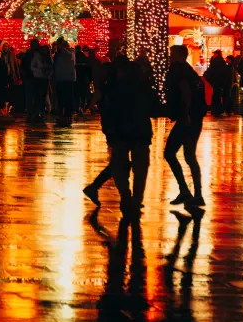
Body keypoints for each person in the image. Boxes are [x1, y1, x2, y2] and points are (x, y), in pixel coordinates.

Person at [101, 54, 159, 215]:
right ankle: (136, 200)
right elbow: (154, 107)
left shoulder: (114, 87)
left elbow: (107, 110)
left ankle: (125, 194)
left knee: (119, 166)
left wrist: (108, 131)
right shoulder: (144, 86)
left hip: (120, 132)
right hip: (140, 132)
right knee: (140, 169)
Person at [163, 44, 207, 209]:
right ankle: (196, 193)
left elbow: (185, 91)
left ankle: (186, 190)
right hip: (195, 117)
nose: (170, 56)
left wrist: (185, 114)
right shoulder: (189, 71)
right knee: (189, 155)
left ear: (181, 56)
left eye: (172, 53)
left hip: (187, 118)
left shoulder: (179, 70)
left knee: (170, 153)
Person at [83, 57, 123, 205]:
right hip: (115, 126)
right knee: (119, 161)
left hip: (111, 124)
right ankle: (96, 187)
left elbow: (96, 98)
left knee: (119, 161)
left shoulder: (105, 85)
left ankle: (125, 195)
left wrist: (89, 107)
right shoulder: (111, 86)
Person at [52, 38, 76, 125]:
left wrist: (59, 44)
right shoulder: (59, 55)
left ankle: (67, 116)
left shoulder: (70, 53)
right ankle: (62, 115)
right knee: (61, 98)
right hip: (61, 78)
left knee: (67, 98)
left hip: (67, 79)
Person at [28, 41, 52, 120]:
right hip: (38, 78)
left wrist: (48, 73)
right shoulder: (37, 56)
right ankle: (36, 113)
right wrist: (40, 70)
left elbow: (51, 68)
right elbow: (32, 67)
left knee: (43, 96)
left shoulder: (49, 58)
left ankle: (41, 112)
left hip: (44, 79)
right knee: (37, 96)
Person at [204, 49, 231, 117]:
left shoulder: (215, 61)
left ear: (216, 54)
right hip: (219, 81)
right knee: (217, 95)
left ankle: (216, 110)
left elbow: (212, 70)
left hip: (216, 81)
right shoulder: (222, 61)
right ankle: (217, 110)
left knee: (216, 95)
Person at [75, 46, 92, 114]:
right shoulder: (85, 58)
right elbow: (89, 69)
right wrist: (89, 79)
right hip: (84, 79)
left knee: (77, 94)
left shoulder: (75, 57)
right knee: (83, 94)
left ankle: (77, 108)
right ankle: (82, 107)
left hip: (77, 78)